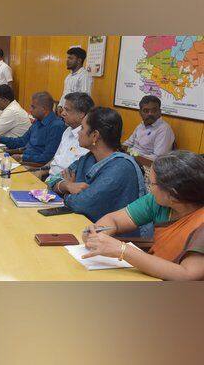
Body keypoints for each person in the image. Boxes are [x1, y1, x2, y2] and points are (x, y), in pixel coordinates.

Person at [82, 151, 204, 280]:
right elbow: (114, 220)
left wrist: (122, 250)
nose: (149, 188)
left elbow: (188, 275)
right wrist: (97, 233)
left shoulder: (200, 222)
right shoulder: (158, 201)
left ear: (173, 194)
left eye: (152, 183)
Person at [51, 107, 147, 228]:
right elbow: (51, 181)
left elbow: (81, 204)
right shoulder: (88, 158)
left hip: (112, 236)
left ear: (95, 135)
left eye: (82, 128)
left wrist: (65, 194)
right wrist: (67, 186)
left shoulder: (121, 167)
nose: (78, 132)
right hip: (82, 225)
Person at [0, 91, 65, 164]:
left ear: (44, 109)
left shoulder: (56, 127)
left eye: (33, 107)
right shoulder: (38, 121)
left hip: (34, 166)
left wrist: (22, 157)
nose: (30, 110)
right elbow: (22, 141)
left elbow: (47, 158)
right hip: (24, 160)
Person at [46, 92, 93, 179]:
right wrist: (40, 170)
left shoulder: (87, 138)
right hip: (50, 178)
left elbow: (75, 174)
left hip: (63, 184)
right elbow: (56, 160)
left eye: (67, 110)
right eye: (63, 109)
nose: (62, 113)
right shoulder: (67, 130)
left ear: (81, 114)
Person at [123, 95, 175, 167]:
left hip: (146, 166)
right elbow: (128, 144)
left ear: (160, 112)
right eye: (146, 111)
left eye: (154, 111)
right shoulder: (141, 125)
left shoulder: (164, 129)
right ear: (140, 112)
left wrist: (132, 155)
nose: (150, 114)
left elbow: (157, 159)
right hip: (131, 159)